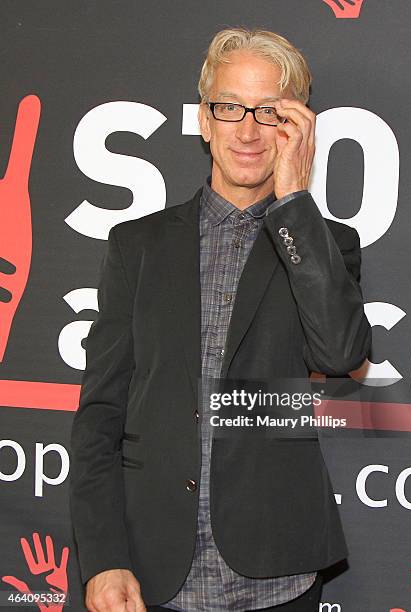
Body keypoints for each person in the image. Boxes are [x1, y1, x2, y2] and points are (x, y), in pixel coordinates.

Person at [70, 28, 371, 612]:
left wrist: (294, 203)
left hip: (277, 572)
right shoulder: (138, 246)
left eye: (270, 111)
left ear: (297, 127)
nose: (249, 130)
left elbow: (339, 354)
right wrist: (103, 556)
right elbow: (101, 413)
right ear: (204, 121)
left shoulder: (326, 244)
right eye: (229, 107)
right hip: (152, 568)